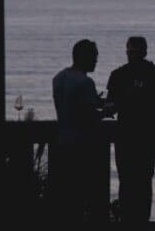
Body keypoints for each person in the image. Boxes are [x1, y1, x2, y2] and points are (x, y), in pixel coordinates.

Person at [106, 36, 155, 223]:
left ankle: (135, 219)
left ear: (144, 51)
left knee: (136, 179)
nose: (130, 54)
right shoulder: (149, 72)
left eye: (133, 51)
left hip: (134, 135)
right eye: (129, 51)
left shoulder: (124, 74)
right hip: (130, 135)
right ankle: (134, 218)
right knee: (133, 179)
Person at [52, 39, 111, 223]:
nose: (96, 60)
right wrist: (106, 112)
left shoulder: (59, 78)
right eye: (94, 56)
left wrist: (95, 102)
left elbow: (71, 105)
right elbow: (88, 116)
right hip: (83, 148)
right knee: (87, 200)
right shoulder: (86, 82)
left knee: (67, 201)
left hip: (62, 144)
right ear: (83, 57)